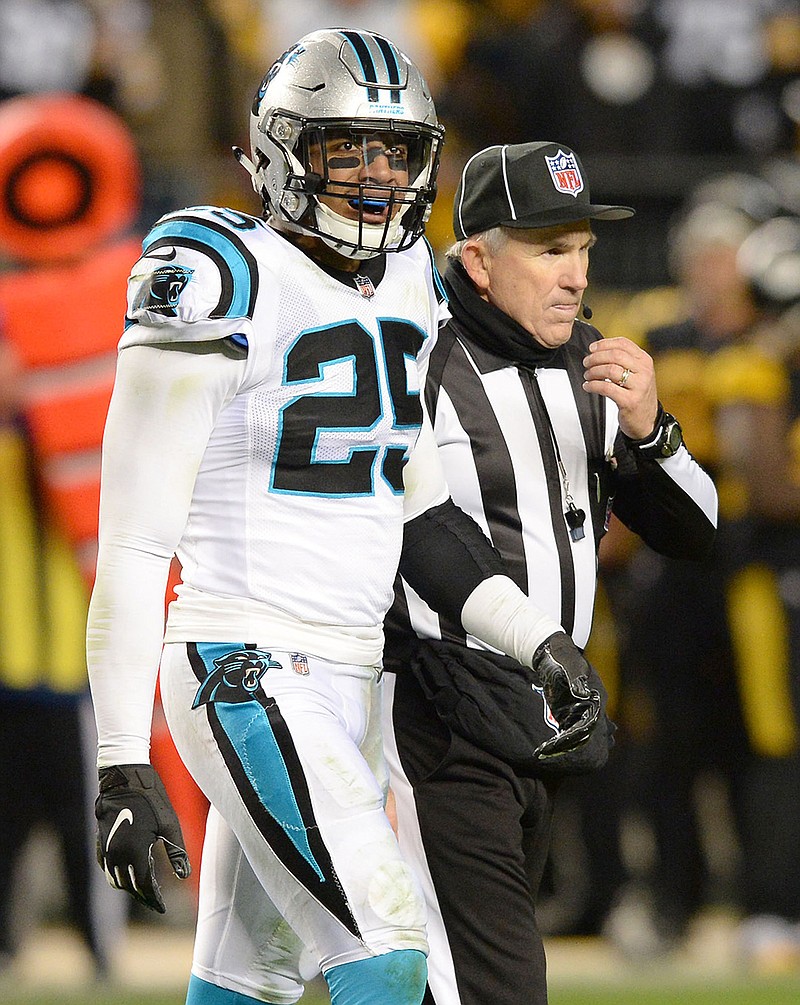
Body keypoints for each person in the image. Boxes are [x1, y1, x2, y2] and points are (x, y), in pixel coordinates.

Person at [86, 31, 610, 1005]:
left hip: (351, 676)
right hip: (243, 664)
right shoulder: (214, 267)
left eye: (396, 150)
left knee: (250, 980)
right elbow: (134, 539)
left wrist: (536, 638)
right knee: (387, 947)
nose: (376, 174)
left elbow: (417, 511)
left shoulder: (409, 277)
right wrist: (120, 759)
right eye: (347, 148)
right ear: (282, 148)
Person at [382, 140, 719, 1005]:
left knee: (450, 984)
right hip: (438, 712)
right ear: (478, 260)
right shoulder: (420, 363)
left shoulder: (589, 359)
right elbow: (415, 538)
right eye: (547, 249)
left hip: (541, 719)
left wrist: (652, 431)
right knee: (494, 986)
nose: (574, 275)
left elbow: (694, 530)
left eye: (581, 251)